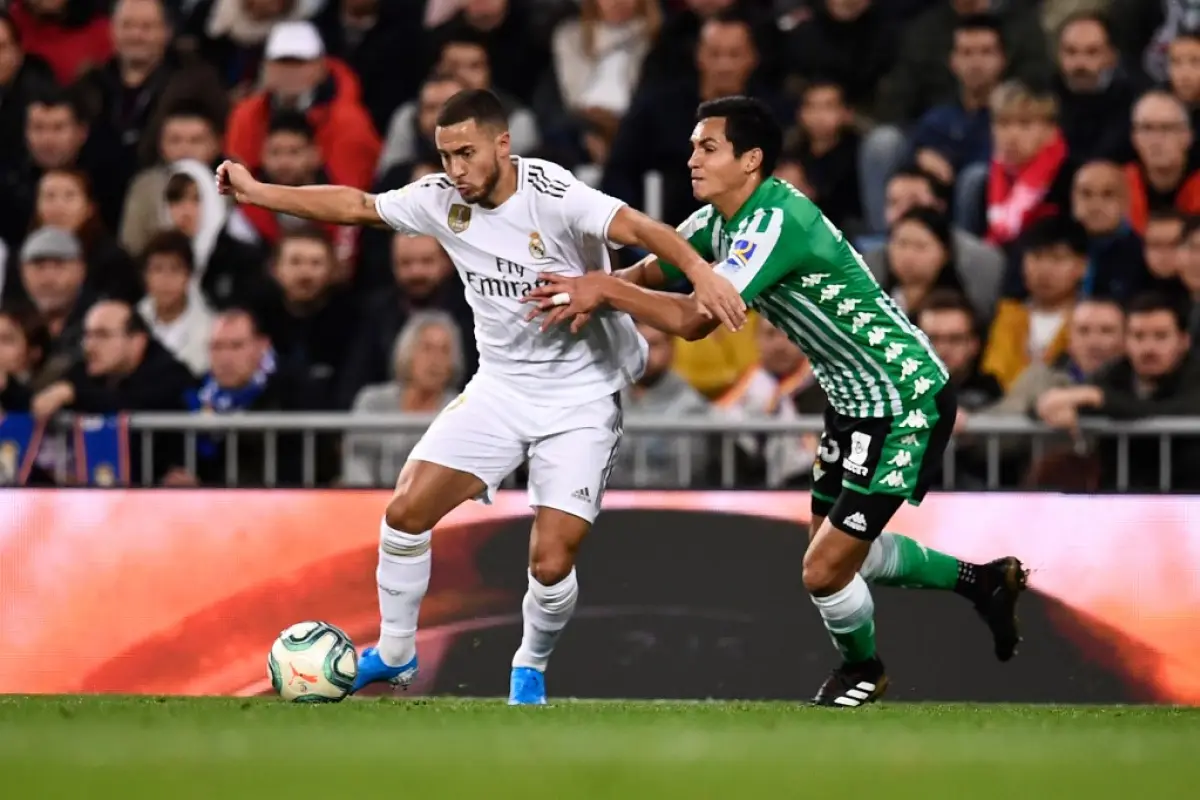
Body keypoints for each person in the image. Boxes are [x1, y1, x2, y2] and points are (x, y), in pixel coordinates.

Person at [215, 87, 746, 706]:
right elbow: (357, 205)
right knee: (405, 514)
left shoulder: (552, 192)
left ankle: (530, 663)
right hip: (500, 388)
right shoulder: (440, 200)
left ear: (502, 143)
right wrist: (257, 192)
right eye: (445, 155)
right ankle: (394, 654)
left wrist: (703, 273)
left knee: (550, 564)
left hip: (580, 397)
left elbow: (639, 227)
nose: (455, 170)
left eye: (466, 153)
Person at [525, 95, 1027, 708]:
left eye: (707, 147)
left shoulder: (775, 222)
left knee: (823, 571)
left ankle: (863, 670)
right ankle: (983, 583)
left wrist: (601, 289)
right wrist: (582, 290)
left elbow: (692, 320)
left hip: (904, 397)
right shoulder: (720, 221)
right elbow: (661, 273)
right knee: (843, 559)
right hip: (850, 402)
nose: (692, 159)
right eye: (692, 147)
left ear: (751, 159)